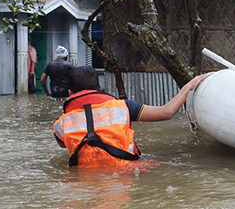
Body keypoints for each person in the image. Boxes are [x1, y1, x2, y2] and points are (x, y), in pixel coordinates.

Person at [53, 66, 210, 168]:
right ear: (100, 88)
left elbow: (64, 145)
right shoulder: (124, 107)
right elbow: (167, 112)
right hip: (126, 173)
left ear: (70, 94)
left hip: (82, 183)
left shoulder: (61, 125)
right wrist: (189, 85)